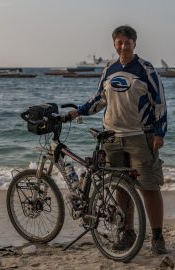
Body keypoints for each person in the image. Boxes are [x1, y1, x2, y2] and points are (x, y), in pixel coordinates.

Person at [69, 25, 168, 255]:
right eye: (119, 42)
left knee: (149, 188)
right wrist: (78, 111)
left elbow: (160, 103)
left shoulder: (146, 69)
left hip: (140, 136)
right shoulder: (109, 69)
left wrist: (160, 133)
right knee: (121, 189)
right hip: (112, 138)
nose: (123, 46)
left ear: (135, 43)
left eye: (127, 42)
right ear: (114, 44)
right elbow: (99, 99)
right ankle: (127, 233)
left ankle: (158, 237)